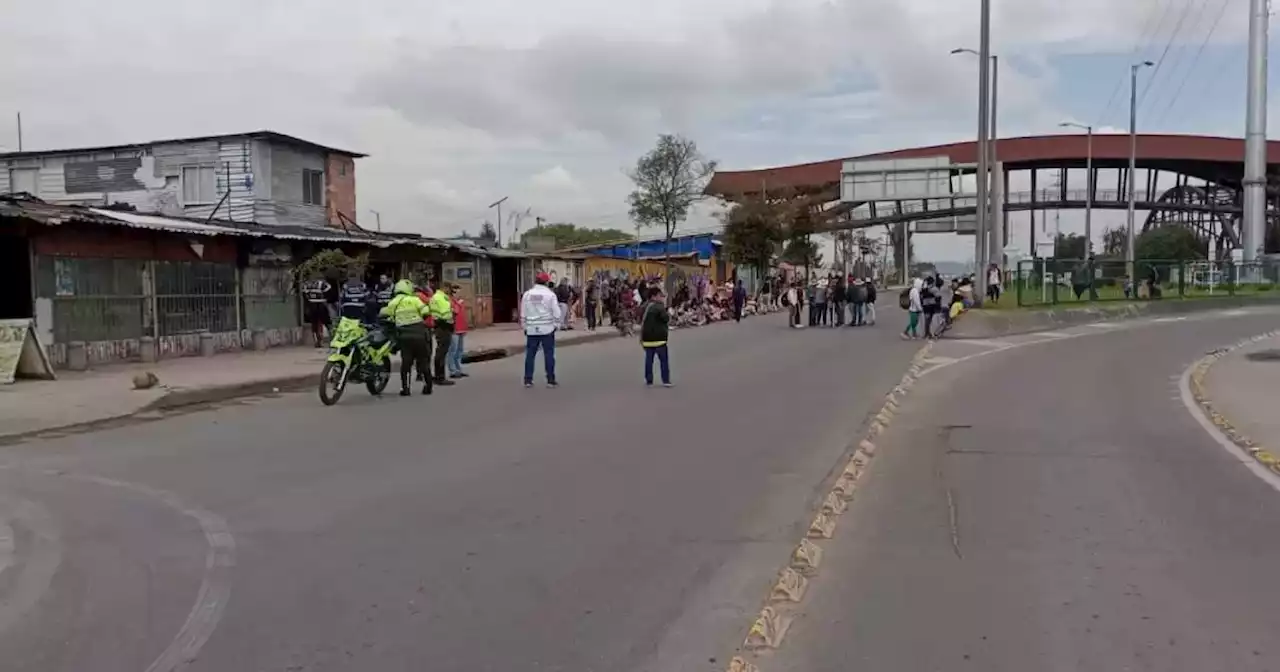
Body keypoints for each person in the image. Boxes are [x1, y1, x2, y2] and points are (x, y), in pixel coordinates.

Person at [379, 279, 432, 396]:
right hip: (419, 334)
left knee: (406, 363)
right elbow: (426, 311)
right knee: (423, 361)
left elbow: (385, 314)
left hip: (404, 336)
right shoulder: (415, 300)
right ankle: (428, 386)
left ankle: (406, 389)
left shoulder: (393, 302)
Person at [521, 271, 563, 388]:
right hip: (547, 329)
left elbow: (523, 312)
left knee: (530, 355)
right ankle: (550, 380)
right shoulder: (550, 295)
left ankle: (528, 380)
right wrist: (556, 325)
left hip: (531, 329)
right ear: (546, 282)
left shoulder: (527, 295)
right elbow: (557, 313)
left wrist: (524, 326)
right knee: (549, 354)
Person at [640, 287, 672, 387]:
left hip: (647, 338)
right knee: (663, 361)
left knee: (649, 360)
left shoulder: (645, 306)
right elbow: (666, 318)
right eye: (660, 295)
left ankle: (649, 380)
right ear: (654, 297)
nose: (661, 298)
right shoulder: (659, 307)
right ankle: (666, 380)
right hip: (659, 339)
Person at [427, 283, 455, 386]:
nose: (450, 291)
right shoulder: (442, 298)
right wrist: (452, 313)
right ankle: (440, 377)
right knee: (442, 352)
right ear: (445, 288)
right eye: (449, 289)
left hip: (438, 326)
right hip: (444, 326)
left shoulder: (435, 297)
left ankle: (438, 375)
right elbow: (445, 313)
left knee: (439, 352)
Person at [301, 274, 332, 347]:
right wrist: (326, 299)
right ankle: (331, 340)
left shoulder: (307, 284)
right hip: (321, 304)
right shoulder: (322, 283)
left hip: (312, 305)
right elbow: (329, 289)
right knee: (327, 323)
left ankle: (317, 342)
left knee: (314, 324)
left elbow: (304, 294)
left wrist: (308, 300)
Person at [447, 284, 469, 379]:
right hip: (454, 329)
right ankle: (453, 371)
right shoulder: (450, 301)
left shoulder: (461, 302)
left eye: (459, 292)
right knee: (453, 351)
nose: (458, 294)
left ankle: (459, 370)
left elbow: (463, 316)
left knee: (460, 351)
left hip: (461, 329)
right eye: (455, 292)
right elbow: (453, 313)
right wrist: (458, 304)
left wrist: (465, 328)